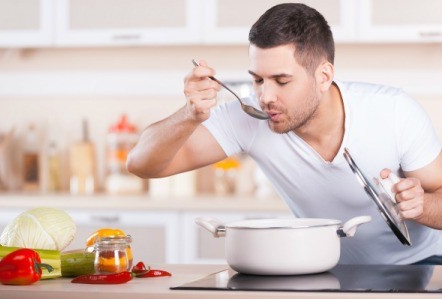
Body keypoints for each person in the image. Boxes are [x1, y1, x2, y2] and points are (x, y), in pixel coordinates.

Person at [127, 3, 442, 265]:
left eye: (281, 80)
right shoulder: (247, 117)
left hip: (420, 266)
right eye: (258, 80)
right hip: (324, 268)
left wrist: (422, 206)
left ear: (323, 75)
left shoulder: (393, 111)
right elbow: (141, 164)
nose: (265, 96)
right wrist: (188, 115)